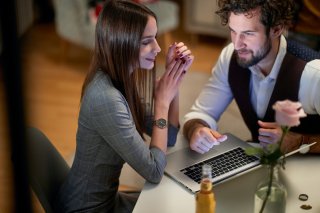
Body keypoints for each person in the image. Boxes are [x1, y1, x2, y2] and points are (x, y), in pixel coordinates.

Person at [54, 0, 194, 212]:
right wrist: (162, 103)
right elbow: (154, 170)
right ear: (122, 42)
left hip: (108, 200)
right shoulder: (106, 98)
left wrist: (173, 80)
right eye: (147, 41)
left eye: (155, 38)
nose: (157, 48)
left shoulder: (121, 79)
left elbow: (170, 136)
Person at [183, 0, 320, 155]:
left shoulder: (313, 73)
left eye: (248, 34)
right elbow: (201, 113)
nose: (237, 44)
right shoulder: (230, 57)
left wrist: (300, 142)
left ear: (276, 29)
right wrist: (196, 129)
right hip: (261, 167)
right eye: (233, 31)